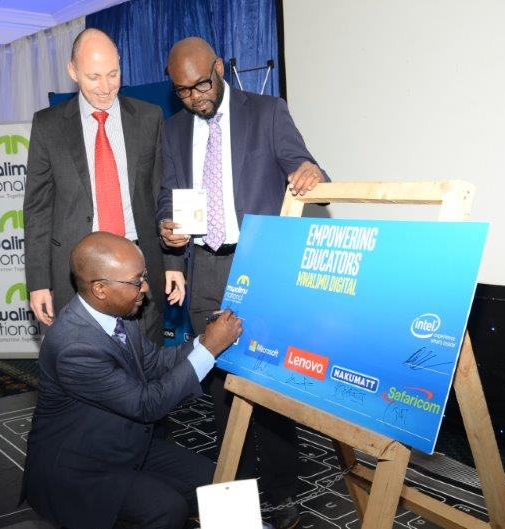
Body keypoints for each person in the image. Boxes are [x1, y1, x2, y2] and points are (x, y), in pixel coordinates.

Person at [156, 37, 330, 529]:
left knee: (269, 386)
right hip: (204, 268)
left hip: (261, 266)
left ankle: (282, 492)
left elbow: (309, 170)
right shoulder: (171, 131)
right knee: (218, 388)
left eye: (202, 84)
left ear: (219, 68)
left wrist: (311, 172)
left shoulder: (267, 111)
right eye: (184, 91)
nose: (196, 96)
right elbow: (166, 197)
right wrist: (167, 226)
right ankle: (237, 497)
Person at [20, 232, 243, 529]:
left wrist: (206, 338)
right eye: (137, 281)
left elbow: (156, 363)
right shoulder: (74, 347)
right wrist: (210, 349)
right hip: (79, 465)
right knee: (167, 510)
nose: (146, 288)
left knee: (219, 482)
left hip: (125, 442)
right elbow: (147, 404)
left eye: (144, 276)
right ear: (100, 288)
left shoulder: (120, 315)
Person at [23, 28, 166, 344]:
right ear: (72, 71)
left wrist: (173, 264)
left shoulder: (148, 117)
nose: (105, 87)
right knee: (83, 371)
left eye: (113, 74)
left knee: (146, 369)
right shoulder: (48, 126)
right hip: (77, 274)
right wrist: (38, 282)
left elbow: (161, 195)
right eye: (94, 77)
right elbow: (37, 209)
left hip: (139, 270)